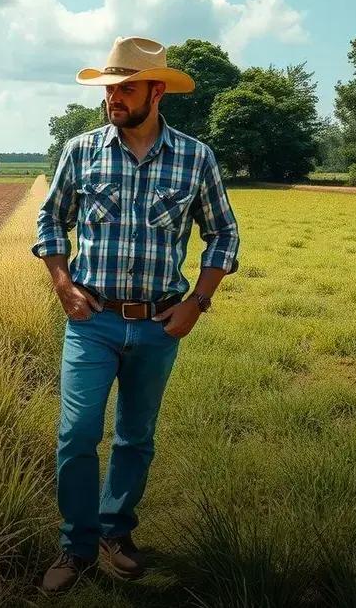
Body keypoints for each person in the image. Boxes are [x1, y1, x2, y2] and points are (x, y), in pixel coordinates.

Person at [31, 35, 241, 594]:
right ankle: (75, 546)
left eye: (126, 88)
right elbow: (51, 220)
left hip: (158, 322)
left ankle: (115, 532)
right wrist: (61, 283)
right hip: (92, 320)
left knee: (134, 437)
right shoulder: (81, 152)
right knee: (77, 434)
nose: (113, 99)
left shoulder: (197, 158)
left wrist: (197, 301)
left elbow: (223, 232)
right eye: (109, 89)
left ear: (156, 92)